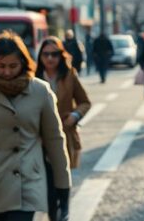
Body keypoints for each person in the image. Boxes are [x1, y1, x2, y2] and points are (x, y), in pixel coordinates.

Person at [0, 31, 71, 221]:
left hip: (28, 178)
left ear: (24, 64)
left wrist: (63, 187)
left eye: (13, 66)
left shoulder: (40, 90)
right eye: (1, 66)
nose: (7, 72)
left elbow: (54, 140)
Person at [36, 37, 92, 221]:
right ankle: (53, 213)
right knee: (48, 178)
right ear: (40, 56)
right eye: (46, 54)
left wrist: (75, 116)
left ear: (61, 55)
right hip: (40, 136)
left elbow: (85, 102)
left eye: (54, 54)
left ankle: (65, 210)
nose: (50, 58)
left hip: (64, 133)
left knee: (62, 173)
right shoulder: (33, 78)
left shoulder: (69, 75)